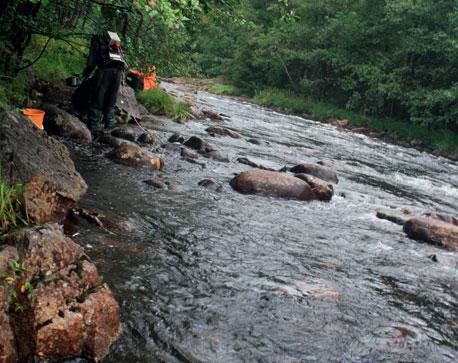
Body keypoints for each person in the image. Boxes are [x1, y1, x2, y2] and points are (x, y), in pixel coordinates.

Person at [82, 30, 127, 134]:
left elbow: (91, 61)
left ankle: (92, 128)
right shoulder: (115, 43)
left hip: (105, 72)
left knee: (97, 99)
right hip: (118, 73)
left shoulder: (96, 39)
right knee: (111, 100)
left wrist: (86, 74)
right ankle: (110, 126)